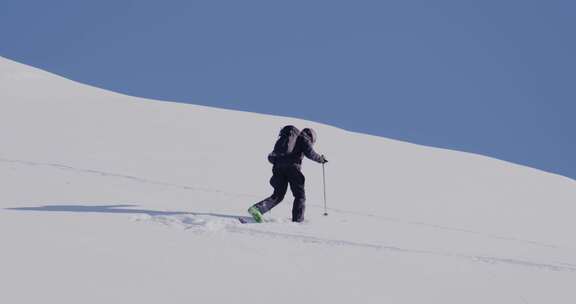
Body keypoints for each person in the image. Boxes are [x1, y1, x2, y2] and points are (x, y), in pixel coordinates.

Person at [248, 126, 327, 223]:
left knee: (278, 194)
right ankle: (298, 221)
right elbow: (310, 153)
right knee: (300, 195)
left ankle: (257, 209)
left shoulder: (289, 138)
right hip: (293, 169)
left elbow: (272, 157)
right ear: (311, 137)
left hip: (278, 167)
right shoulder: (303, 138)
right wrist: (320, 159)